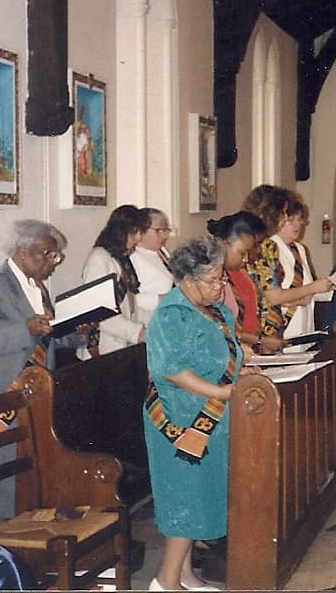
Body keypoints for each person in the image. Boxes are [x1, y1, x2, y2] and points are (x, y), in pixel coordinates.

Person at [143, 236, 261, 592]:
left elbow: (224, 358)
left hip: (216, 417)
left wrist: (244, 372)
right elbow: (172, 370)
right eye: (213, 280)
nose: (220, 285)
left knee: (203, 495)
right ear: (186, 279)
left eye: (221, 277)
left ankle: (186, 575)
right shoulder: (171, 314)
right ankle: (165, 582)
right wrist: (224, 391)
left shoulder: (218, 311)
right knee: (185, 498)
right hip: (180, 419)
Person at [0, 219, 90, 517]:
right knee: (2, 478)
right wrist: (26, 328)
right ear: (23, 250)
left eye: (54, 255)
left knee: (31, 475)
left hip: (34, 394)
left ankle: (33, 530)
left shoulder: (37, 288)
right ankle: (3, 542)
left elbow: (45, 339)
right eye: (47, 253)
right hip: (1, 394)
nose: (53, 262)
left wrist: (76, 333)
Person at [243, 186, 333, 346]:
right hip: (265, 330)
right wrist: (311, 289)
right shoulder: (264, 246)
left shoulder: (287, 248)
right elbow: (273, 296)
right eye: (284, 214)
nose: (286, 218)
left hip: (285, 326)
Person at [207, 211, 288, 355]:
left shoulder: (238, 271)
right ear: (224, 245)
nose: (246, 259)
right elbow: (219, 328)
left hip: (246, 350)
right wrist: (259, 340)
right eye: (241, 253)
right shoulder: (212, 283)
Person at [82, 205, 149, 356]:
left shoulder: (122, 259)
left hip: (122, 345)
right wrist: (138, 333)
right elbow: (98, 313)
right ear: (120, 230)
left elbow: (130, 307)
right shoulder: (99, 258)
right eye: (134, 231)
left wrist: (159, 321)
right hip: (102, 347)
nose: (138, 238)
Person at [131, 207, 174, 319]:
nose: (164, 236)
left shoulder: (161, 251)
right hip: (149, 318)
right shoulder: (132, 257)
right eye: (159, 230)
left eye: (166, 230)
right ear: (141, 231)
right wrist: (163, 299)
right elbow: (129, 299)